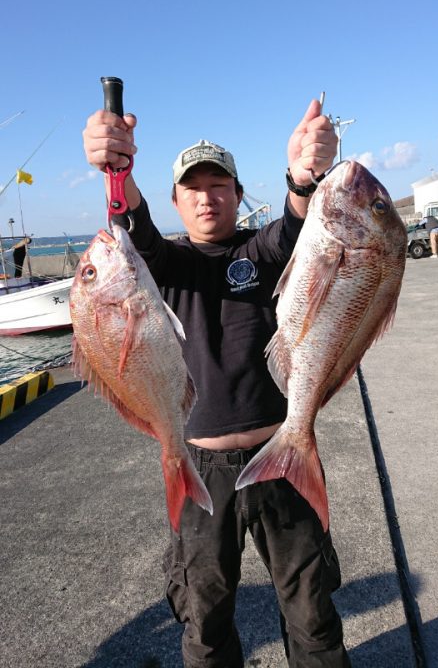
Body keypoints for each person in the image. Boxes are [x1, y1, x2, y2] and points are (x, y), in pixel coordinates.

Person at [82, 99, 351, 668]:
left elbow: (299, 221)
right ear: (177, 200)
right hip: (199, 466)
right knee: (204, 622)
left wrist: (304, 174)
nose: (207, 197)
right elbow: (137, 229)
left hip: (284, 453)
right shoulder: (164, 265)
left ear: (237, 193)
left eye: (219, 184)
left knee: (313, 617)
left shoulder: (265, 250)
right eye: (193, 188)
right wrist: (118, 174)